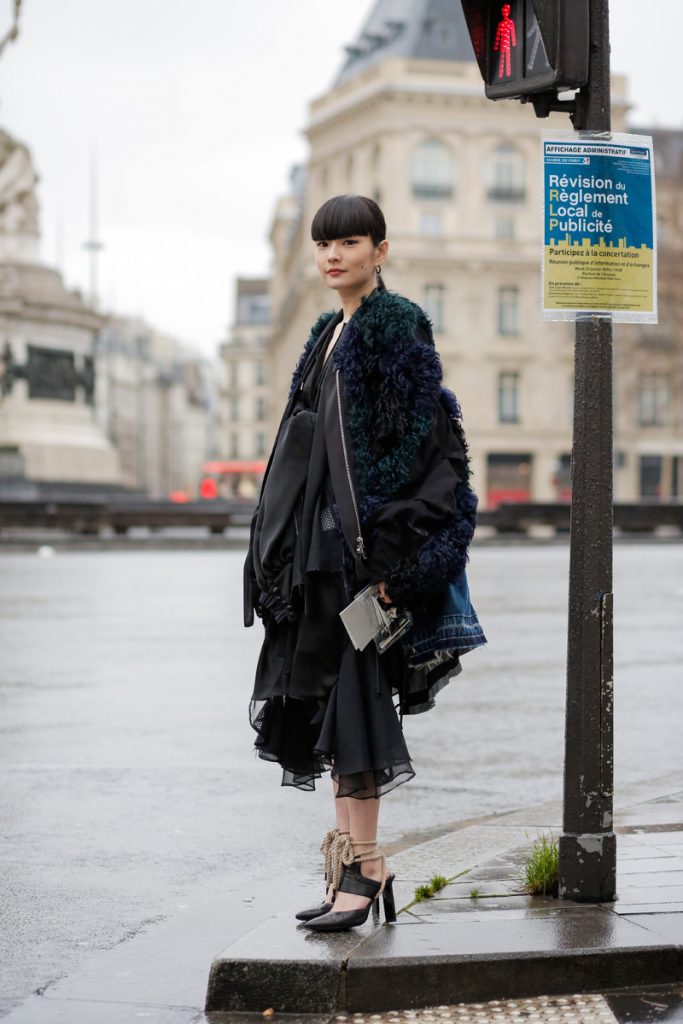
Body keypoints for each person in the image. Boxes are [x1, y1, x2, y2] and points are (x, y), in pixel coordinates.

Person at [244, 194, 485, 932]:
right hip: (315, 560)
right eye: (324, 245)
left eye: (349, 242)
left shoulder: (392, 326)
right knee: (324, 707)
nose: (332, 256)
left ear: (379, 250)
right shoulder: (326, 332)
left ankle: (366, 864)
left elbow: (419, 446)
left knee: (355, 712)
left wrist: (384, 556)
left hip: (357, 561)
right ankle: (357, 865)